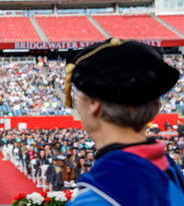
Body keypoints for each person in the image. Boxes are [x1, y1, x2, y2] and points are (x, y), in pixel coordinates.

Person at [65, 38, 184, 205]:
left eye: (78, 96)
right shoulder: (171, 171)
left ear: (94, 105)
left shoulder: (95, 198)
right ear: (156, 105)